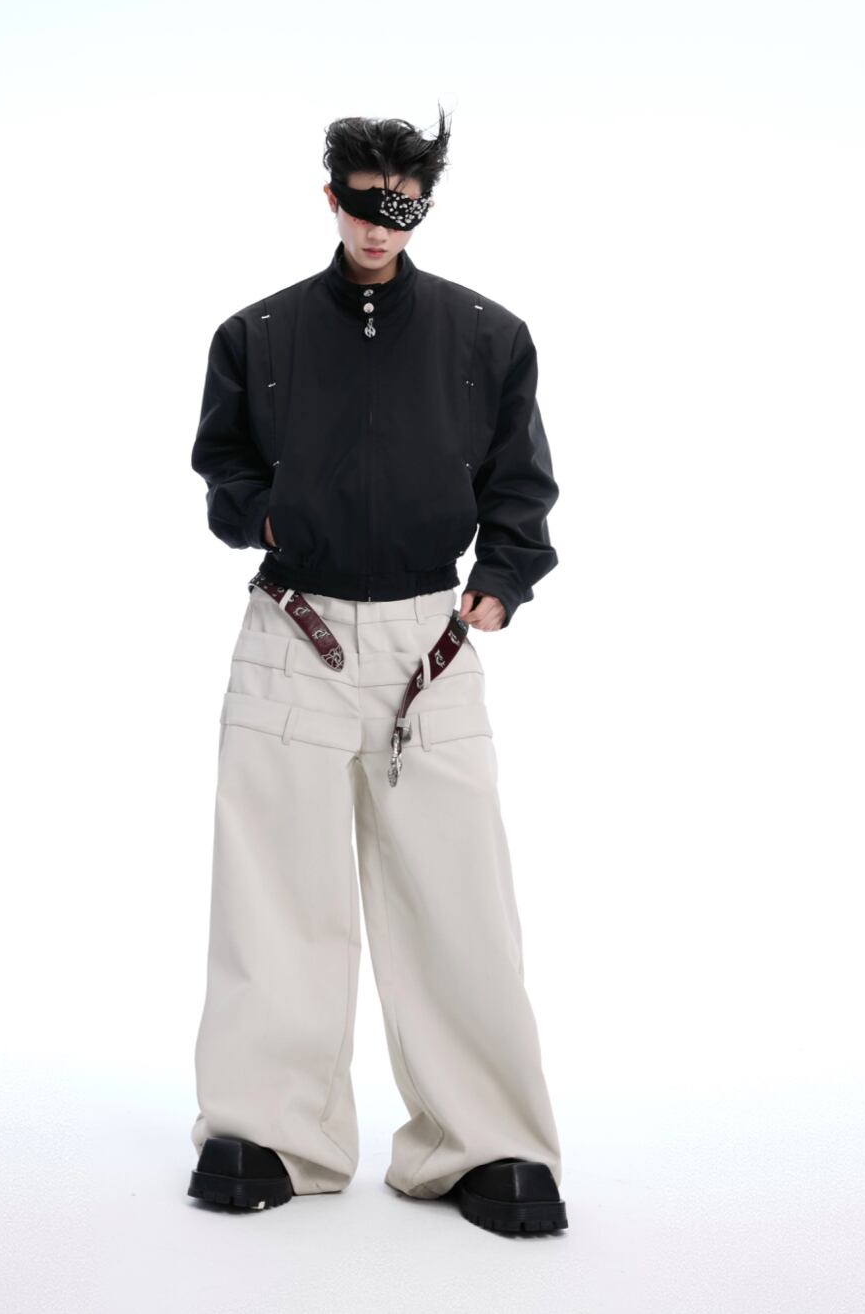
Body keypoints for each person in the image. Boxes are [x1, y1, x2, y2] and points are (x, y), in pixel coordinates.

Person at [186, 106, 568, 1235]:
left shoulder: (486, 334)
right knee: (273, 894)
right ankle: (267, 1129)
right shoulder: (254, 334)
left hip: (428, 640)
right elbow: (222, 463)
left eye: (402, 204)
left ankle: (485, 1141)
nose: (380, 223)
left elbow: (519, 476)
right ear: (332, 198)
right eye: (363, 201)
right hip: (292, 629)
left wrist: (503, 575)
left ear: (424, 206)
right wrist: (262, 518)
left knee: (458, 899)